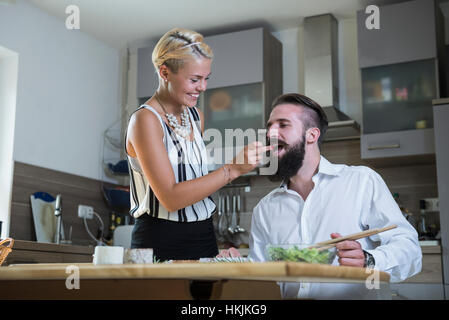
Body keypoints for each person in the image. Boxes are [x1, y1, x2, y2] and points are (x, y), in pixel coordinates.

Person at [248, 93, 422, 299]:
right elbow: (259, 277)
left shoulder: (361, 181)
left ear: (312, 135)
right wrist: (234, 265)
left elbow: (410, 250)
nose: (270, 132)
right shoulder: (265, 208)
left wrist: (368, 260)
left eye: (283, 125)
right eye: (269, 126)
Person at [125, 28, 270, 261]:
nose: (203, 87)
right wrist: (232, 169)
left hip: (203, 235)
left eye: (206, 79)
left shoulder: (196, 117)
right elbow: (170, 198)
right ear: (165, 72)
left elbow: (192, 181)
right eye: (195, 79)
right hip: (160, 238)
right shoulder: (145, 121)